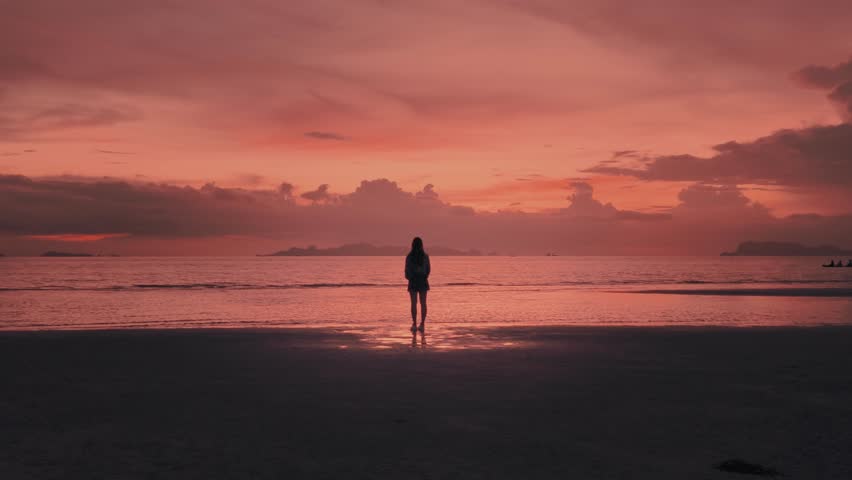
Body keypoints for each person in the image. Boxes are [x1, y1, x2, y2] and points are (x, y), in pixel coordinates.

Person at [405, 236, 431, 332]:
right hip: (423, 280)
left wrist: (409, 278)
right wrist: (424, 277)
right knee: (423, 303)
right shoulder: (425, 256)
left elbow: (407, 270)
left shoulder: (409, 256)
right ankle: (422, 324)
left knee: (413, 303)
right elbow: (428, 270)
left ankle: (414, 324)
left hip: (413, 280)